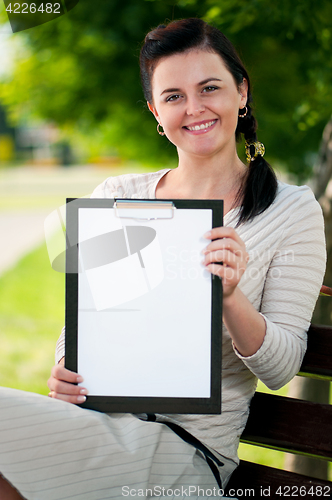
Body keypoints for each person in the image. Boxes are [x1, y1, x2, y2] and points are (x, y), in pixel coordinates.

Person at [0, 17, 326, 500]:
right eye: (173, 96)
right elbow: (82, 328)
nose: (194, 109)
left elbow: (280, 370)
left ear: (241, 91)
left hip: (187, 453)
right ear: (156, 111)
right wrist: (69, 369)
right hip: (97, 424)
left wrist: (231, 297)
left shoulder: (290, 209)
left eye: (209, 88)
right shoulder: (116, 195)